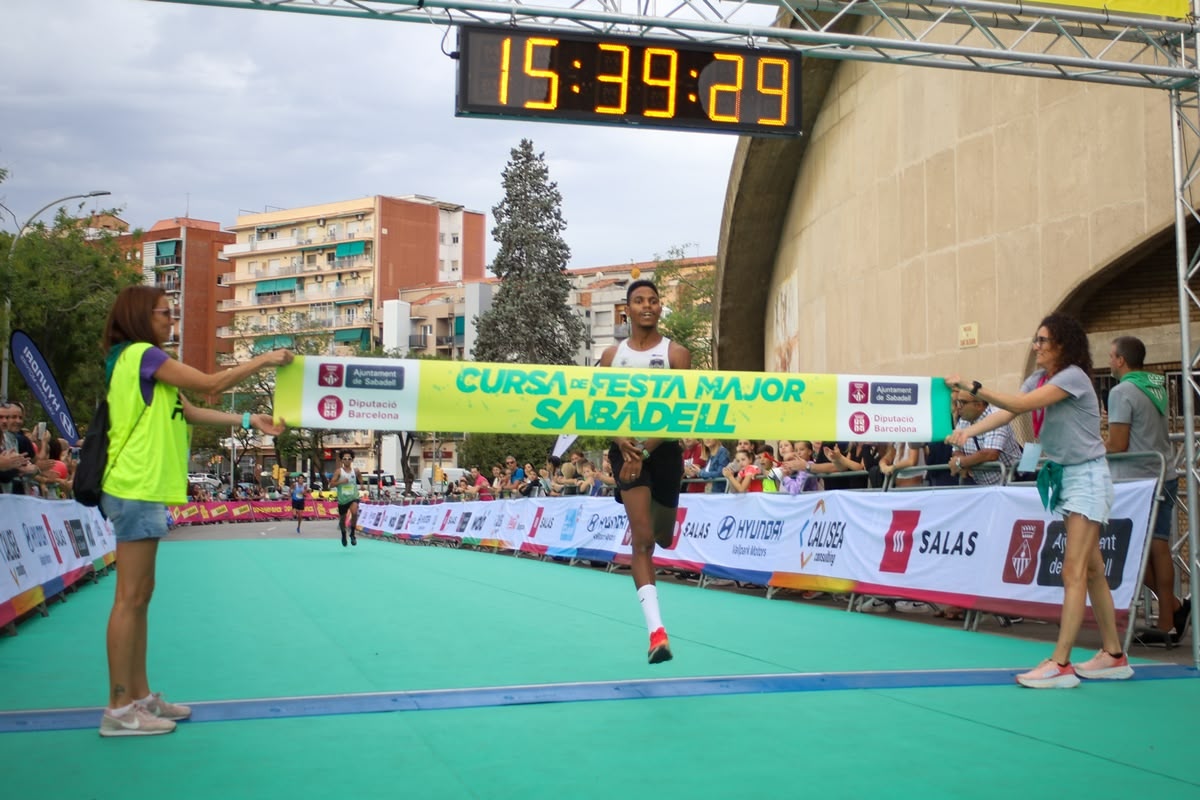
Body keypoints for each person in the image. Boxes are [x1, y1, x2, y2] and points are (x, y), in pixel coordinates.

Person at [98, 285, 291, 736]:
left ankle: (140, 698)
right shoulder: (142, 355)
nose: (171, 320)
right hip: (134, 485)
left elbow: (191, 410)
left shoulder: (144, 365)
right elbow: (211, 384)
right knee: (130, 598)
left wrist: (249, 421)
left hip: (145, 487)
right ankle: (118, 708)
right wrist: (264, 360)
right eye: (166, 312)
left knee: (140, 596)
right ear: (140, 316)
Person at [948, 313, 1131, 688]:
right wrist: (969, 432)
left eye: (1043, 341)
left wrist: (973, 386)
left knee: (1073, 571)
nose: (1037, 346)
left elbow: (1021, 401)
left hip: (1088, 477)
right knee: (1092, 570)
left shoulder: (1073, 377)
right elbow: (1008, 411)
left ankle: (1061, 663)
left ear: (1062, 344)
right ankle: (1114, 655)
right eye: (1036, 340)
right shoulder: (1040, 377)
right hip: (1067, 476)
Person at [600, 279, 691, 664]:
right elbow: (600, 412)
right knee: (642, 540)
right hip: (626, 453)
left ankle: (664, 527)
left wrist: (645, 448)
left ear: (659, 308)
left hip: (663, 449)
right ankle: (657, 633)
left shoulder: (677, 354)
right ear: (628, 310)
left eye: (653, 300)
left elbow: (680, 413)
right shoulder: (610, 356)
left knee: (664, 537)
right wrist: (623, 443)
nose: (647, 306)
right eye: (639, 301)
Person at [1105, 335, 1190, 644]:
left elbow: (1118, 443)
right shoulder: (1154, 386)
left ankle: (1171, 614)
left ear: (1120, 360)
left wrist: (1088, 448)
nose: (1109, 361)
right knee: (1159, 546)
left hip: (1138, 480)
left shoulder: (1122, 391)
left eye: (1111, 356)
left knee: (1135, 552)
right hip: (1164, 471)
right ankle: (1169, 616)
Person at [330, 450, 361, 547]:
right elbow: (331, 484)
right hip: (343, 499)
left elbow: (360, 478)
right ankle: (343, 534)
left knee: (354, 513)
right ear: (342, 461)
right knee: (342, 520)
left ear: (352, 460)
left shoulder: (355, 471)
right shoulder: (339, 472)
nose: (347, 460)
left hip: (353, 497)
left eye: (349, 459)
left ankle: (352, 534)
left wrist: (362, 485)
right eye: (345, 459)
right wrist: (341, 481)